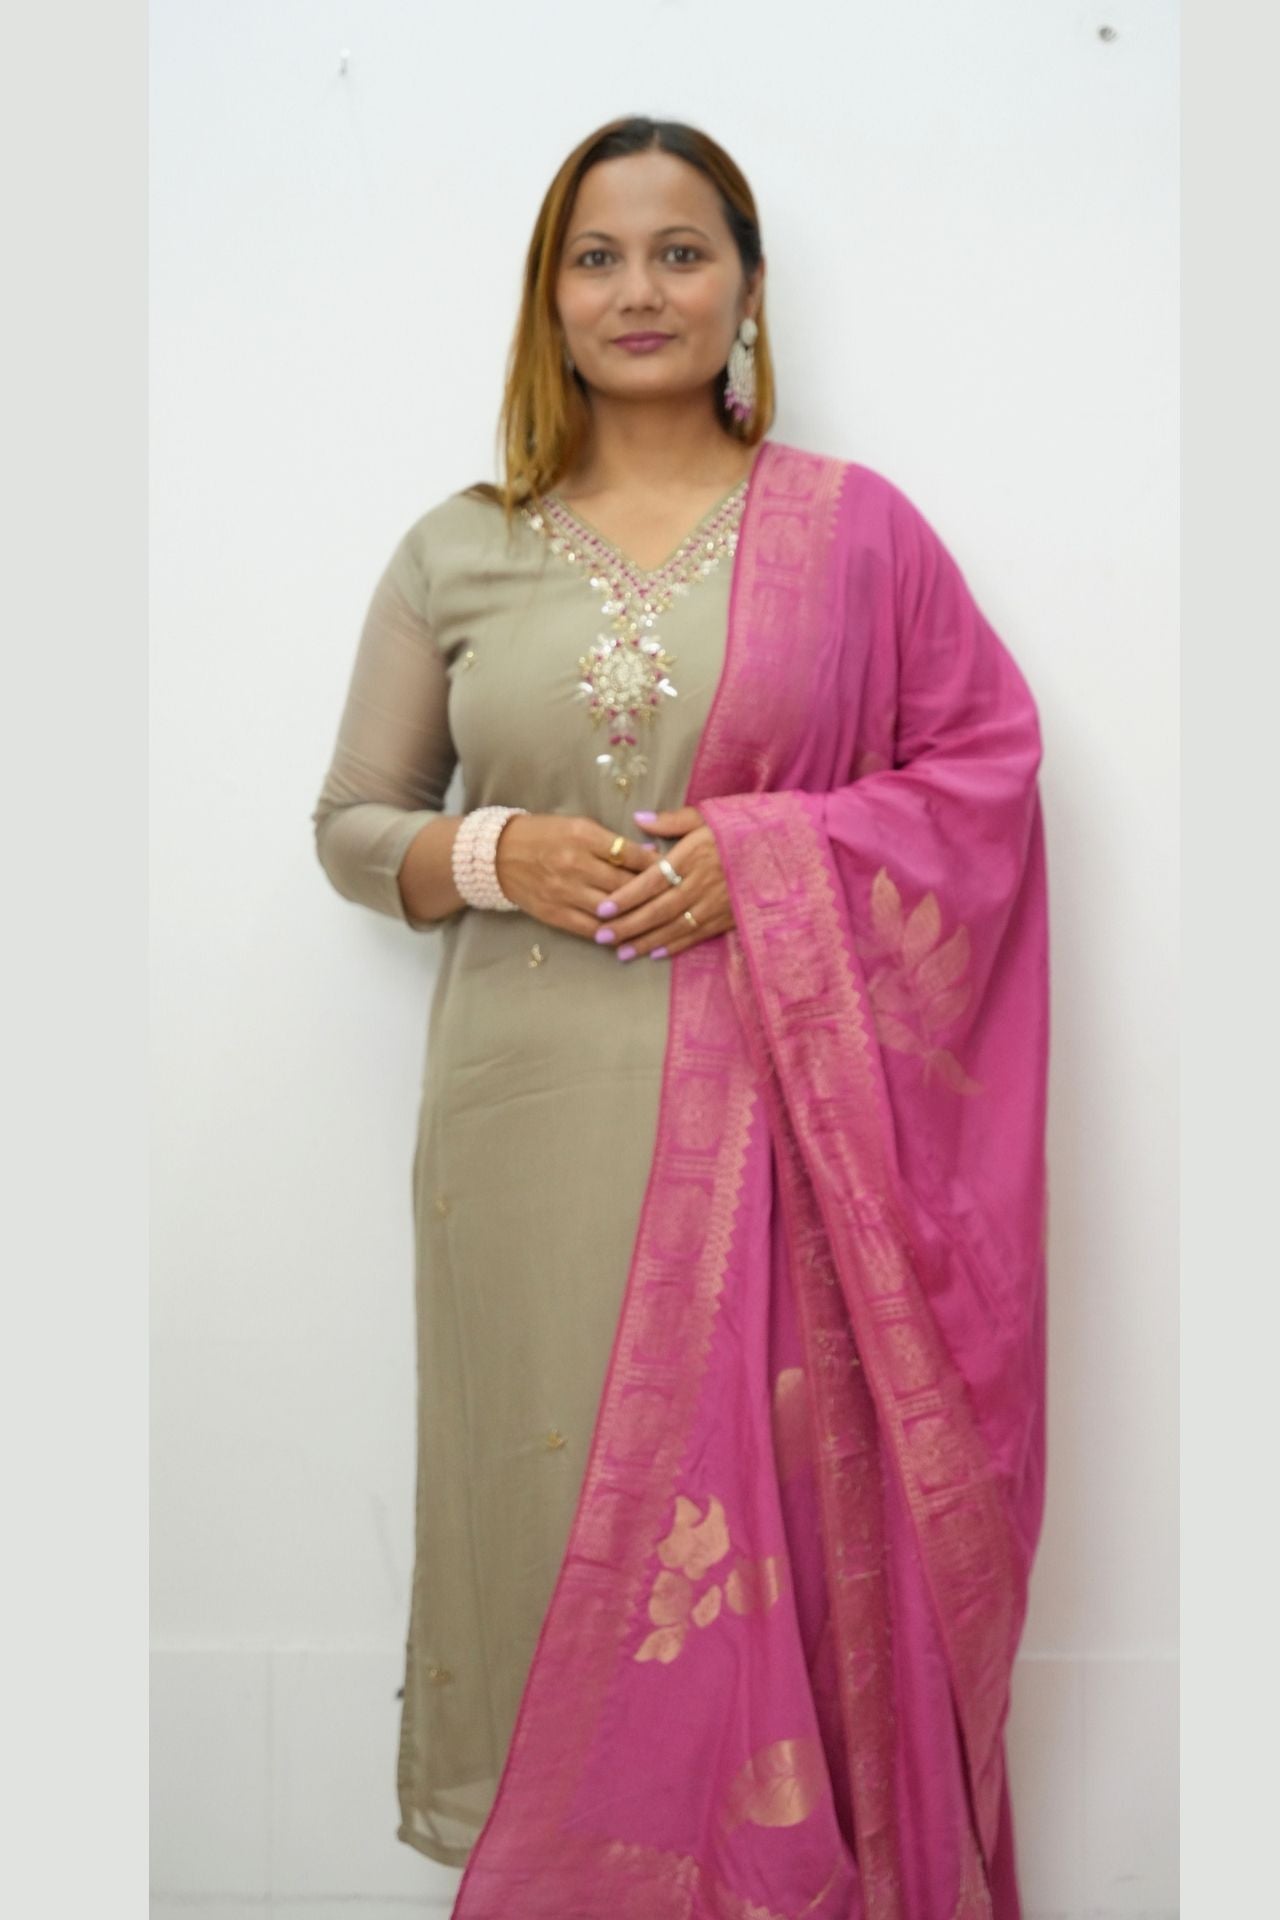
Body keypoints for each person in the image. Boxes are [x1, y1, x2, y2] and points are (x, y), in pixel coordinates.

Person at [310, 114, 1049, 1920]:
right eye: (597, 256)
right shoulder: (459, 550)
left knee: (771, 1522)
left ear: (746, 288)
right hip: (528, 1131)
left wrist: (774, 856)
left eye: (680, 251)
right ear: (548, 298)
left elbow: (984, 775)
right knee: (553, 1509)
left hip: (792, 1142)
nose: (638, 289)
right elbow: (353, 826)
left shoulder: (858, 536)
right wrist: (491, 851)